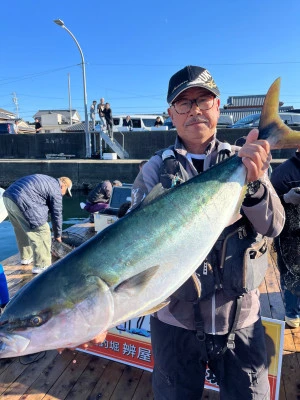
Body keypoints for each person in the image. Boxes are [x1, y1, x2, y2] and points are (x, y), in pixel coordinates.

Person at [129, 65, 284, 399]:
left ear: (218, 106)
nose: (194, 109)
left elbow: (274, 224)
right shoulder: (155, 169)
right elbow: (129, 241)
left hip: (239, 319)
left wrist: (255, 185)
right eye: (183, 103)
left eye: (203, 99)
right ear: (170, 114)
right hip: (175, 323)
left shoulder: (243, 160)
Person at [3, 174, 72, 274]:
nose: (63, 195)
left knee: (21, 229)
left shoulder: (48, 180)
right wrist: (58, 235)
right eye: (65, 192)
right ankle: (42, 266)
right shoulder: (56, 189)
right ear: (63, 186)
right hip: (23, 199)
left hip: (8, 197)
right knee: (42, 230)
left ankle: (26, 258)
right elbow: (56, 214)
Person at [271, 146, 300, 328]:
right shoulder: (283, 172)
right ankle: (292, 313)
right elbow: (268, 203)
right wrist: (285, 198)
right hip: (289, 237)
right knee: (291, 274)